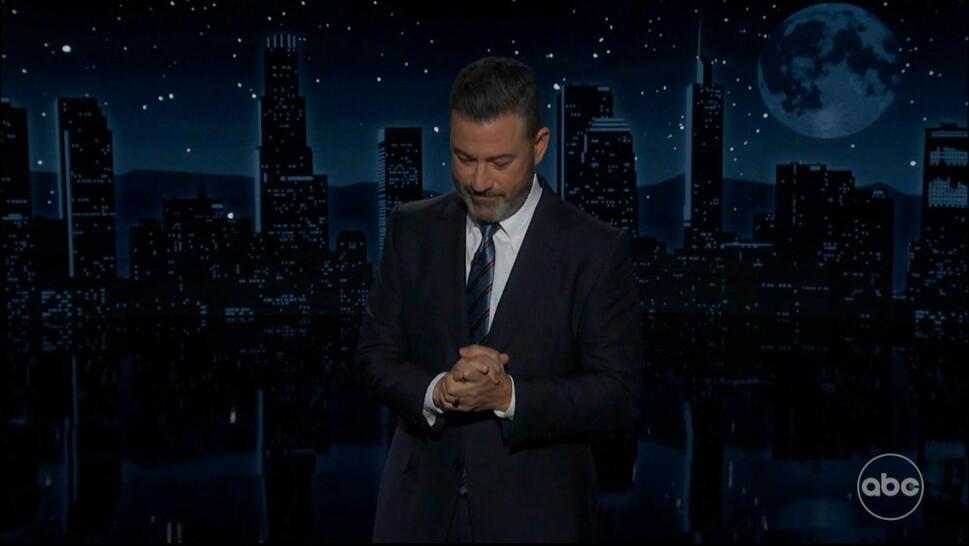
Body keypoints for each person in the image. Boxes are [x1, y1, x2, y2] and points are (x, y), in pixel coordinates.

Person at [354, 56, 644, 542]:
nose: (479, 181)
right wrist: (437, 391)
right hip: (417, 514)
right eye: (464, 158)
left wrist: (509, 396)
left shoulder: (595, 250)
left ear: (539, 146)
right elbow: (372, 359)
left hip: (539, 518)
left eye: (499, 162)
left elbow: (619, 394)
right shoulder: (411, 228)